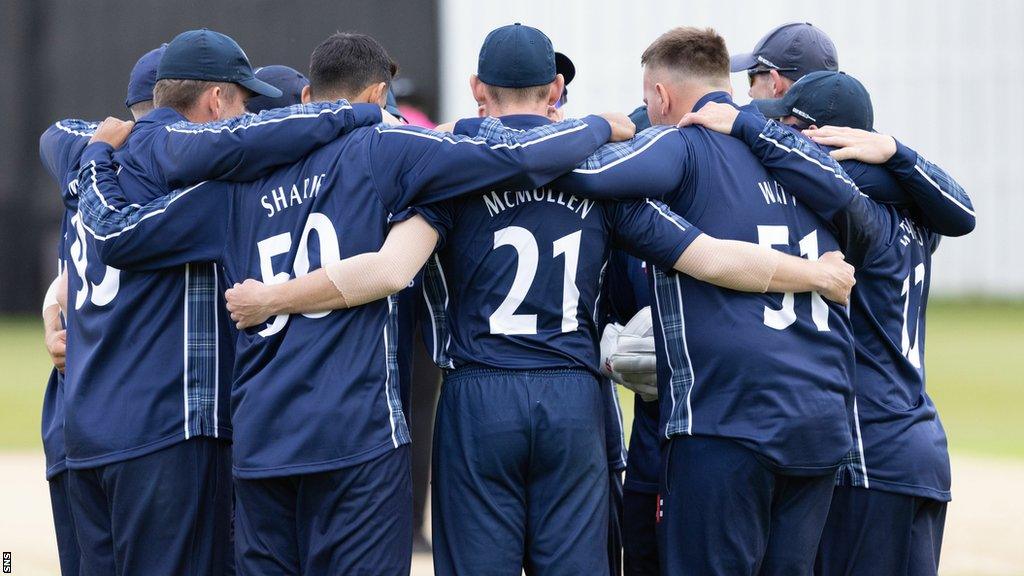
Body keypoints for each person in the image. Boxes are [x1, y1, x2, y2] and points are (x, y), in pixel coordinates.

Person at [222, 23, 856, 576]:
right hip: (573, 399)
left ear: (477, 89)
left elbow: (389, 270)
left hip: (478, 394)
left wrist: (274, 297)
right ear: (555, 92)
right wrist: (814, 274)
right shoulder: (603, 175)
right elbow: (712, 257)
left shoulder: (452, 169)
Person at [74, 30, 629, 574]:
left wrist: (71, 255)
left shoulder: (235, 179)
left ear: (308, 99)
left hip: (263, 437)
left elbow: (123, 239)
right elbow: (510, 157)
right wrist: (599, 126)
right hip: (360, 434)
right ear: (377, 99)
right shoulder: (388, 148)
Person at [54, 28, 388, 575]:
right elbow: (124, 232)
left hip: (83, 431)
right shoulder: (204, 181)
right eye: (243, 104)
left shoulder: (85, 158)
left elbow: (59, 156)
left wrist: (49, 312)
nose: (246, 119)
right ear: (214, 99)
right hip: (165, 431)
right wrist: (360, 115)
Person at [550, 26, 872, 575]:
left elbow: (583, 173)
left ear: (660, 97)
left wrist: (569, 129)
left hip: (729, 419)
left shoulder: (683, 145)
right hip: (822, 416)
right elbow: (863, 220)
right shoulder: (798, 154)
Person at [751, 70, 975, 576]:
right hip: (919, 443)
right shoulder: (918, 214)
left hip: (870, 446)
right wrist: (897, 155)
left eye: (789, 126)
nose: (784, 135)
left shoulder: (859, 218)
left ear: (823, 135)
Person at [37, 43, 166, 576]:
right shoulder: (180, 173)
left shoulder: (87, 157)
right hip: (137, 419)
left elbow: (53, 133)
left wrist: (51, 304)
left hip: (74, 418)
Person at [730, 21, 838, 100]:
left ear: (776, 85)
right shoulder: (847, 124)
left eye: (751, 78)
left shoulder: (749, 128)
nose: (750, 93)